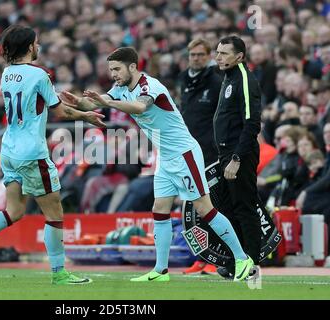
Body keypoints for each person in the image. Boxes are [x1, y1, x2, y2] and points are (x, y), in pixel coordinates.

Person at [61, 47, 254, 282]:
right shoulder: (121, 87)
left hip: (184, 154)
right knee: (159, 209)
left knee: (204, 208)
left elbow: (139, 107)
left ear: (132, 67)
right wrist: (77, 104)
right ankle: (161, 270)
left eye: (117, 69)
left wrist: (106, 103)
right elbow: (95, 104)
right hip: (165, 157)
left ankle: (242, 258)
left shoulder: (149, 86)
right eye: (111, 69)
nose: (113, 74)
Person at [0, 25, 106, 285]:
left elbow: (39, 101)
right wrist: (85, 116)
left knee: (14, 211)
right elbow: (59, 113)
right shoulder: (40, 74)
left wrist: (71, 102)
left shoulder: (7, 74)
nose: (39, 46)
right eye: (37, 42)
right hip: (32, 152)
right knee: (54, 213)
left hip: (9, 150)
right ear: (30, 46)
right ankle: (60, 274)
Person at [213, 36, 264, 278]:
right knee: (228, 208)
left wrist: (236, 158)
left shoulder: (244, 78)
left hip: (238, 154)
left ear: (239, 56)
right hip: (226, 152)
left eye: (224, 53)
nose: (219, 57)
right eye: (218, 52)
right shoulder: (229, 78)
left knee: (244, 207)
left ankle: (251, 264)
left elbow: (252, 123)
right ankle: (238, 261)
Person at [179, 38, 222, 275]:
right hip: (187, 153)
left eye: (200, 54)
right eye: (192, 55)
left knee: (212, 206)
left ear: (208, 56)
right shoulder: (184, 80)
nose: (195, 58)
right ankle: (200, 257)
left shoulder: (216, 82)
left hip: (210, 154)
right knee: (191, 208)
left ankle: (216, 258)